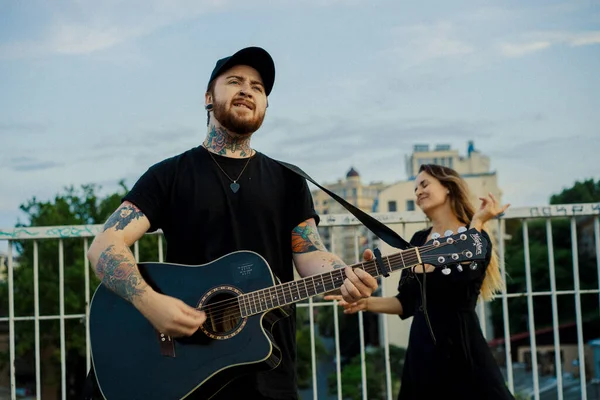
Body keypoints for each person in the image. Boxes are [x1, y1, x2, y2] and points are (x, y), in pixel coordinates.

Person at [85, 46, 378, 400]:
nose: (247, 90)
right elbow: (104, 247)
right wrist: (151, 303)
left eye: (257, 87)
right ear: (208, 97)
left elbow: (310, 254)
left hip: (268, 362)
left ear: (265, 106)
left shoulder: (288, 180)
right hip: (186, 367)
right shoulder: (169, 175)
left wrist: (343, 275)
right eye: (235, 81)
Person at [326, 164, 515, 400]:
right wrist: (367, 303)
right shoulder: (417, 240)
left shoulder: (475, 237)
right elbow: (406, 302)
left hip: (461, 346)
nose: (418, 192)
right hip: (422, 346)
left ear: (447, 187)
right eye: (415, 189)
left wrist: (477, 223)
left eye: (424, 184)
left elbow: (467, 277)